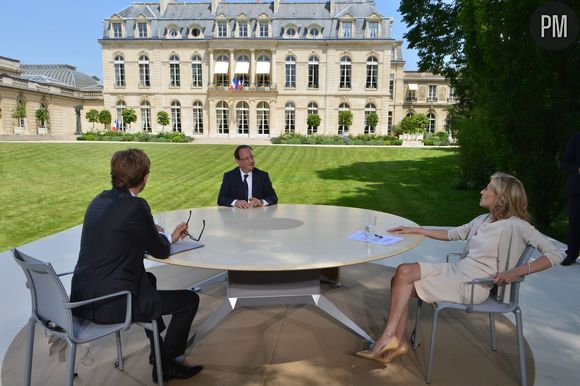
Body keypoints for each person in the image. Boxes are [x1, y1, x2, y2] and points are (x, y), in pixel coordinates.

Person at [356, 172, 564, 363]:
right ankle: (393, 340)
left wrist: (515, 272)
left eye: (488, 188)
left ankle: (389, 339)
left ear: (501, 197)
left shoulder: (518, 226)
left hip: (474, 285)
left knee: (401, 286)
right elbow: (452, 234)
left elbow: (556, 254)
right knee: (403, 271)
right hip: (458, 271)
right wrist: (416, 230)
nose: (482, 191)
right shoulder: (484, 219)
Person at [70, 149, 203, 383]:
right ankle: (168, 363)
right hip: (112, 302)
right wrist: (170, 236)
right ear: (144, 178)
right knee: (189, 301)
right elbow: (160, 251)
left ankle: (158, 353)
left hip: (84, 295)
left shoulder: (99, 200)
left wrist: (148, 230)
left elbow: (117, 235)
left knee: (148, 282)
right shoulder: (136, 206)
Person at [560, 132, 580, 266]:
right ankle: (572, 254)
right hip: (577, 189)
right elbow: (564, 162)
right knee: (575, 224)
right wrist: (578, 169)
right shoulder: (577, 138)